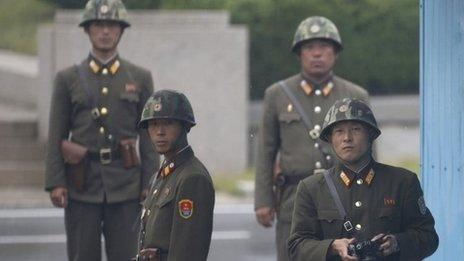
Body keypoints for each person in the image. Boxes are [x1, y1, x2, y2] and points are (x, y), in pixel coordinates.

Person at [44, 0, 158, 260]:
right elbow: (56, 134)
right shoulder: (68, 79)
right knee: (82, 255)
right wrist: (56, 182)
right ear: (87, 30)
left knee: (127, 255)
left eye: (111, 25)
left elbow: (149, 137)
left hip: (126, 184)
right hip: (81, 184)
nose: (105, 31)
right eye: (98, 25)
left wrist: (150, 183)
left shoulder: (139, 77)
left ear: (121, 31)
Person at [254, 16, 369, 261]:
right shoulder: (276, 95)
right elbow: (265, 151)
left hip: (342, 199)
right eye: (309, 48)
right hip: (293, 200)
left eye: (324, 47)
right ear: (299, 54)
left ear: (335, 53)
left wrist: (370, 200)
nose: (317, 54)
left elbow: (368, 154)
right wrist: (263, 200)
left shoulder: (355, 94)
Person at [287, 98, 439, 261]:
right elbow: (296, 247)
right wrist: (332, 247)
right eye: (339, 131)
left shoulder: (403, 182)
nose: (347, 138)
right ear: (330, 139)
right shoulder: (311, 188)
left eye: (356, 129)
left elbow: (428, 237)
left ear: (370, 135)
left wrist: (397, 243)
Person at [135, 90, 215, 261]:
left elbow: (188, 252)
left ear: (185, 126)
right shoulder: (164, 173)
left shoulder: (192, 178)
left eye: (168, 123)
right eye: (153, 124)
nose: (160, 131)